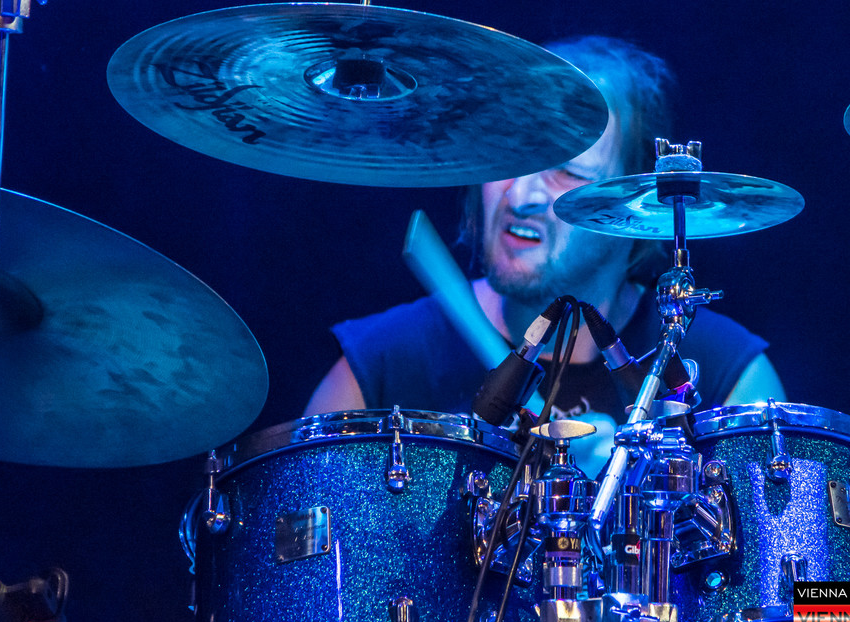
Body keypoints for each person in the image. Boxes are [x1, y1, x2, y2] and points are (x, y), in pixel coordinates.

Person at [305, 35, 785, 469]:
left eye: (568, 172)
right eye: (512, 159)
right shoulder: (384, 365)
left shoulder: (725, 379)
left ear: (637, 205)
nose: (520, 196)